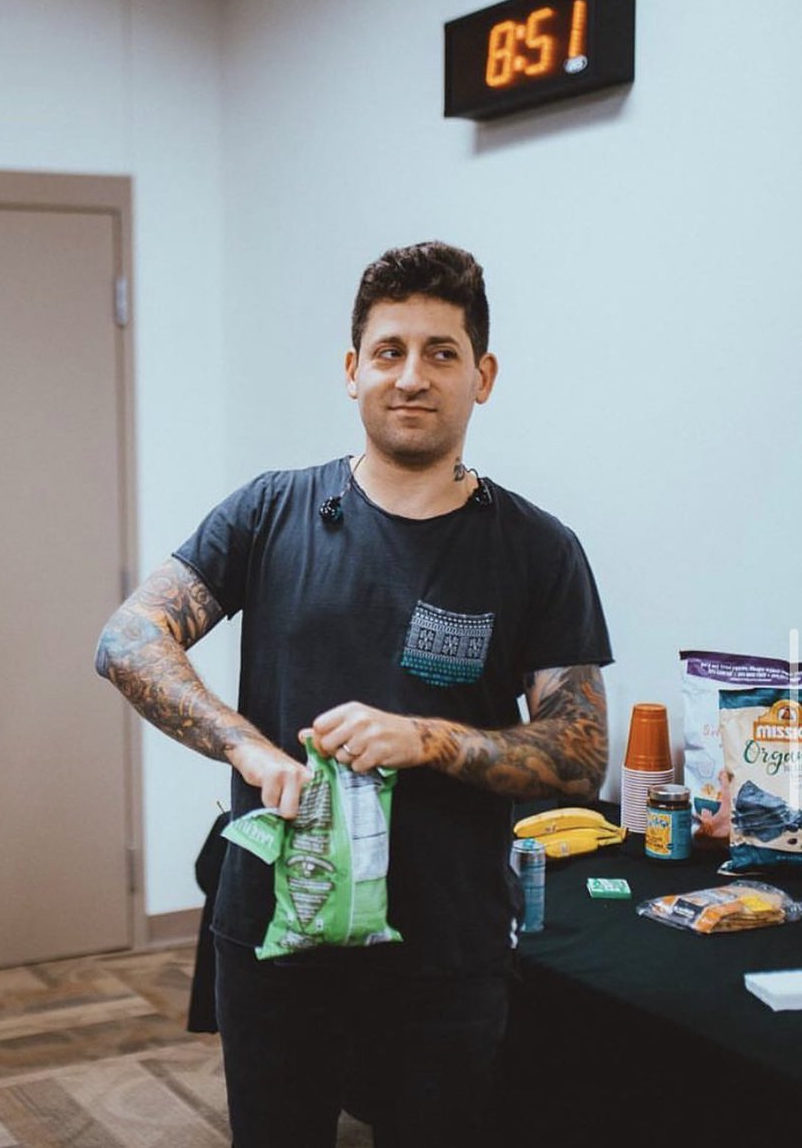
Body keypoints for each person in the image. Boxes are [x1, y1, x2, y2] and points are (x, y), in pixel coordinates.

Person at [94, 241, 612, 1147]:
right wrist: (245, 748)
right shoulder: (272, 513)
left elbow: (578, 752)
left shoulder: (537, 548)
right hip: (276, 936)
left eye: (441, 353)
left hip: (448, 949)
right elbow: (130, 637)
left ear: (481, 376)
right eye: (389, 351)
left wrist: (428, 739)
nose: (412, 376)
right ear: (352, 371)